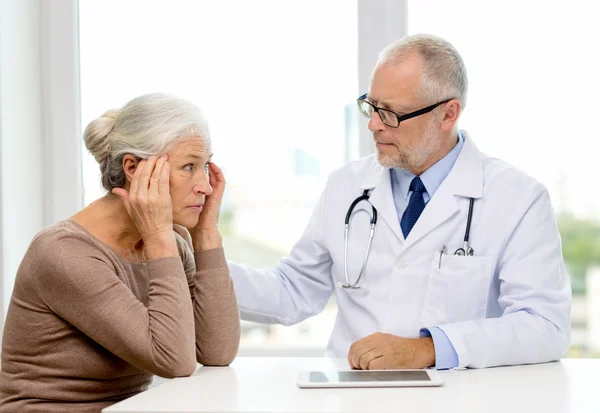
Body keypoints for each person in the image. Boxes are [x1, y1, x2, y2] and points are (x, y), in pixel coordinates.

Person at [229, 34, 571, 370]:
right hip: (352, 395)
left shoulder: (517, 198)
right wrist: (195, 268)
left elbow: (544, 326)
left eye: (392, 113)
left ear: (448, 114)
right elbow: (292, 291)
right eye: (372, 106)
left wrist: (429, 349)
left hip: (457, 399)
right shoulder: (346, 185)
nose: (374, 125)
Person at [0, 93, 240, 412]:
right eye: (188, 167)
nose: (205, 187)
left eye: (205, 166)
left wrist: (206, 235)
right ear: (132, 168)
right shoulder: (63, 252)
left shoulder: (172, 244)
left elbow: (217, 351)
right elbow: (175, 362)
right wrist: (157, 237)